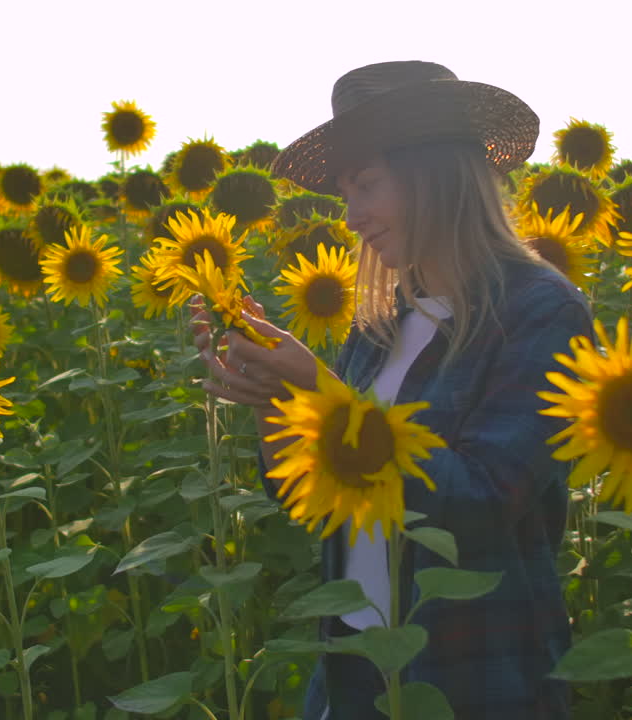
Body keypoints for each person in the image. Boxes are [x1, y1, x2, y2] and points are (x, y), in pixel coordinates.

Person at [193, 61, 591, 719]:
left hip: (476, 676)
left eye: (366, 186)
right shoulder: (384, 323)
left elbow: (486, 500)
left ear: (433, 173)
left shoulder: (539, 311)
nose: (352, 218)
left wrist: (317, 386)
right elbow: (315, 503)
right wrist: (272, 397)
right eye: (345, 194)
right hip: (357, 671)